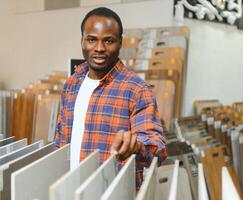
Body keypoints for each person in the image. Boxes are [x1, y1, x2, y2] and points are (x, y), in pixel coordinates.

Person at [54, 7, 167, 188]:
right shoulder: (72, 84)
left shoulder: (136, 90)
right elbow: (61, 143)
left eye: (108, 41)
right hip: (72, 191)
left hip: (113, 193)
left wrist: (136, 146)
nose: (99, 48)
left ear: (120, 43)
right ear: (82, 40)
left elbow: (158, 150)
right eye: (92, 40)